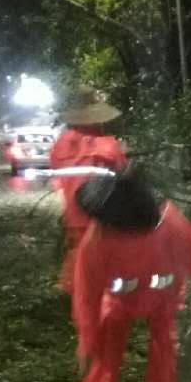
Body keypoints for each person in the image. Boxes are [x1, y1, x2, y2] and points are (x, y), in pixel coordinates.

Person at [72, 174, 191, 382]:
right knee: (106, 347)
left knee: (165, 351)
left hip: (163, 298)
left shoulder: (170, 223)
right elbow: (86, 295)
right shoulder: (97, 242)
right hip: (121, 300)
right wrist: (87, 340)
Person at [49, 87, 128, 291]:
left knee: (77, 253)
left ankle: (73, 294)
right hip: (101, 213)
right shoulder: (107, 145)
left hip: (74, 213)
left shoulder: (61, 144)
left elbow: (58, 173)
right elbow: (121, 171)